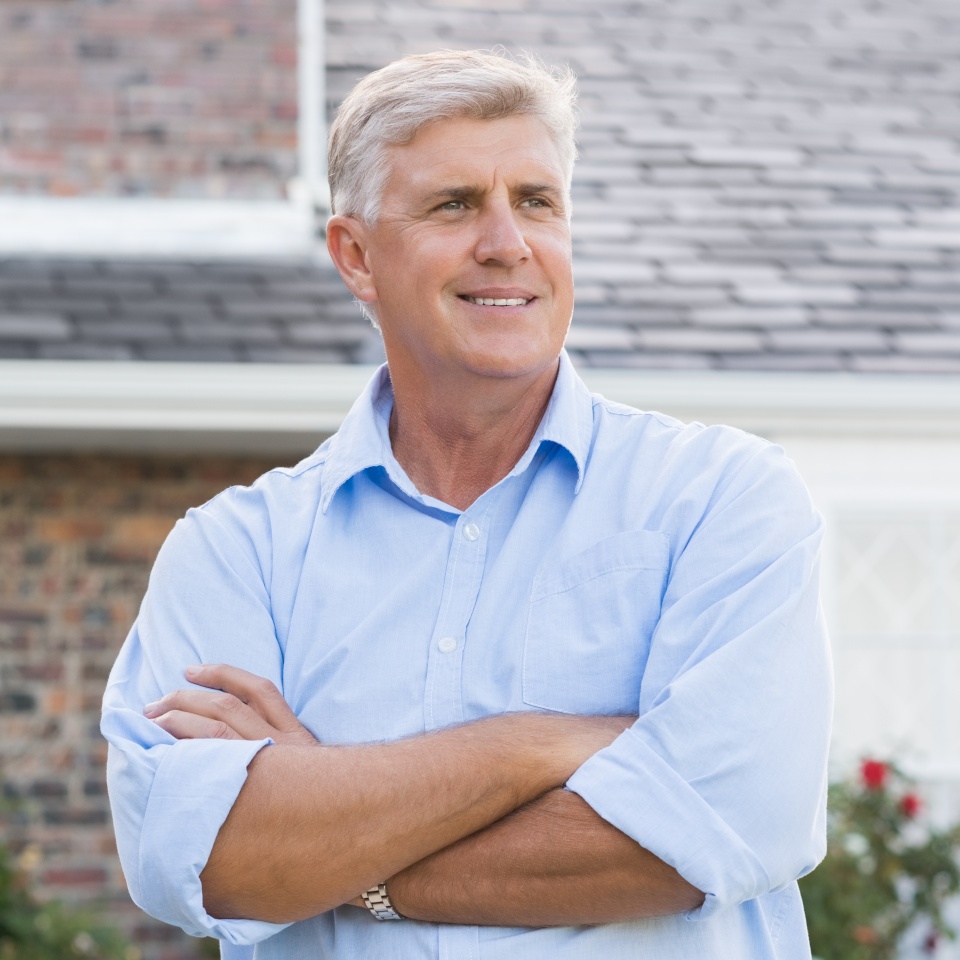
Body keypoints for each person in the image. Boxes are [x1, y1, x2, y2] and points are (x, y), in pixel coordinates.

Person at [102, 49, 832, 960]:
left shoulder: (721, 502)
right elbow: (205, 859)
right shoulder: (234, 554)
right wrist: (536, 746)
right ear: (356, 256)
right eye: (455, 204)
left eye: (536, 201)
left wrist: (331, 841)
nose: (506, 242)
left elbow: (715, 829)